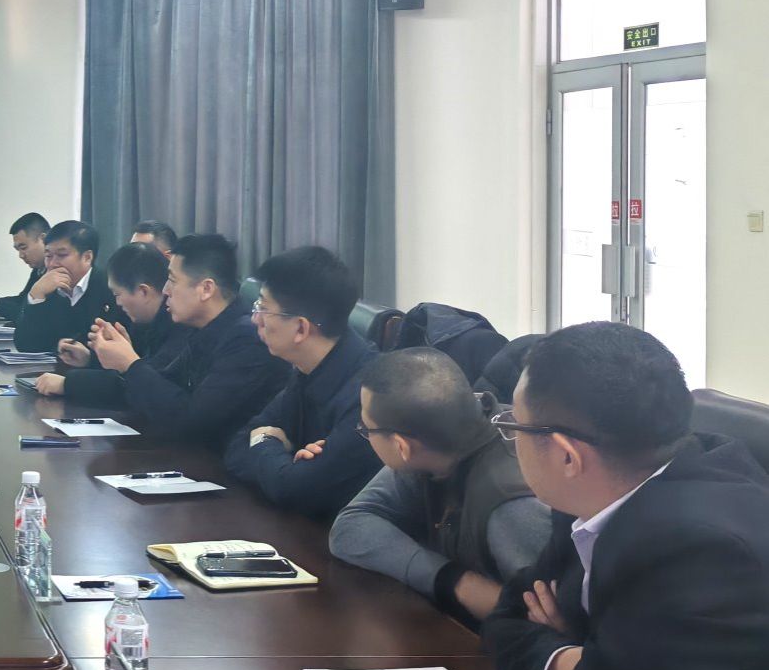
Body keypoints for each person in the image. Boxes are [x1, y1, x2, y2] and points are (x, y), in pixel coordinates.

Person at [483, 323, 769, 670]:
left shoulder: (701, 550)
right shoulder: (597, 497)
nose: (510, 439)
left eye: (515, 426)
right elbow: (507, 618)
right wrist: (580, 665)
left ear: (567, 455)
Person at [331, 347, 551, 624]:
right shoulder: (434, 444)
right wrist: (454, 580)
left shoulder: (513, 508)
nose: (365, 434)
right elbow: (350, 527)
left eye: (366, 429)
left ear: (401, 447)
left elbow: (546, 621)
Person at [224, 245, 381, 519]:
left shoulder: (371, 396)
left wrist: (264, 443)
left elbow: (297, 491)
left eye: (263, 309)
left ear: (301, 328)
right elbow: (236, 448)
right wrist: (281, 459)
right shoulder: (307, 368)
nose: (254, 319)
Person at [90, 233, 287, 448]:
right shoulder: (201, 328)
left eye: (173, 280)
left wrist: (131, 365)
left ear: (206, 289)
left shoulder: (247, 340)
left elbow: (191, 421)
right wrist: (126, 362)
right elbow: (164, 383)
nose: (165, 290)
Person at [33, 242, 188, 405]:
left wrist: (67, 384)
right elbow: (133, 374)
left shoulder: (180, 327)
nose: (118, 303)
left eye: (117, 294)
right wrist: (90, 359)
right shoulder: (146, 322)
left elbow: (138, 389)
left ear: (143, 291)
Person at [11, 220, 126, 354]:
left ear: (87, 257)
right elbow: (25, 345)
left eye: (61, 255)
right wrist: (35, 297)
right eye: (48, 256)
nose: (52, 264)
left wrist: (88, 358)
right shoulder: (48, 289)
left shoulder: (111, 288)